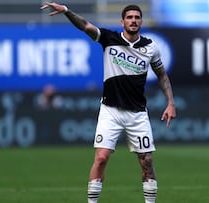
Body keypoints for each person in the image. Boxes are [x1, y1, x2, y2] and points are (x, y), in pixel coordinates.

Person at [41, 3, 176, 203]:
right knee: (102, 157)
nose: (133, 20)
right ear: (122, 22)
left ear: (141, 21)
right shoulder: (109, 39)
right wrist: (67, 11)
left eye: (137, 17)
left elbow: (162, 76)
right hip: (110, 110)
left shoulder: (150, 47)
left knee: (146, 160)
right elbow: (85, 26)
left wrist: (170, 103)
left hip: (137, 113)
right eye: (129, 17)